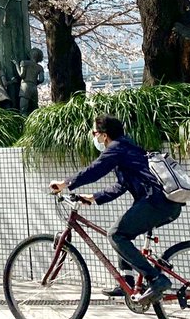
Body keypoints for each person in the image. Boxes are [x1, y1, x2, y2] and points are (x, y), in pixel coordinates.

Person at [49, 114, 182, 305]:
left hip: (156, 202)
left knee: (115, 235)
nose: (94, 137)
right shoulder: (127, 147)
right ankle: (127, 283)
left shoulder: (117, 147)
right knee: (122, 234)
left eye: (95, 133)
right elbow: (121, 186)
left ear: (104, 135)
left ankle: (156, 279)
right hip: (164, 203)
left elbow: (95, 170)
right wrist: (94, 198)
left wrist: (65, 183)